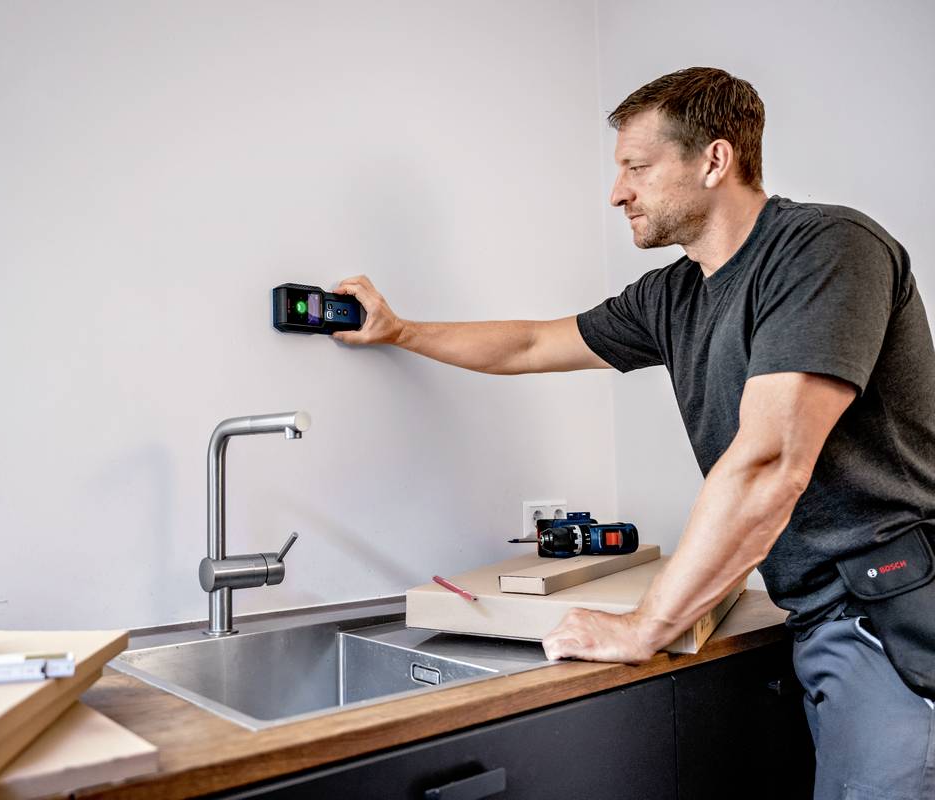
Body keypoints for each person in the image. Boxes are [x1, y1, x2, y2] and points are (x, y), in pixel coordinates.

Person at [332, 67, 935, 800]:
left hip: (890, 615)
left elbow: (772, 460)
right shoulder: (673, 294)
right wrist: (400, 330)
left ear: (715, 160)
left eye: (636, 168)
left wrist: (645, 626)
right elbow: (529, 344)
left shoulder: (826, 249)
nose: (617, 192)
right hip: (814, 615)